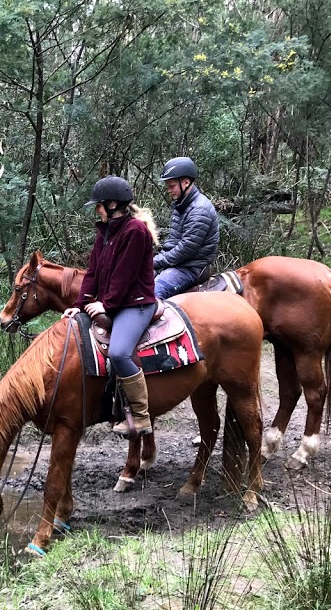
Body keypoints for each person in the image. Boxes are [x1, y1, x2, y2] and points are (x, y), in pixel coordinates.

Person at [63, 176, 157, 436]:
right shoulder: (104, 233)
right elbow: (92, 273)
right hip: (116, 302)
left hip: (135, 304)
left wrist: (106, 305)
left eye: (99, 205)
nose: (97, 210)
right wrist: (80, 305)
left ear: (113, 204)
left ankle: (140, 416)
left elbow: (124, 276)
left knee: (118, 353)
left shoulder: (135, 231)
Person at [153, 156, 219, 299]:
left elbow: (185, 249)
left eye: (172, 186)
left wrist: (155, 262)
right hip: (179, 263)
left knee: (150, 295)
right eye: (168, 187)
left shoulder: (199, 210)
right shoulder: (182, 204)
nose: (169, 190)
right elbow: (173, 242)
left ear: (186, 182)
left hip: (191, 268)